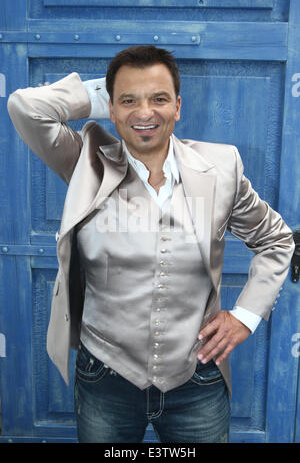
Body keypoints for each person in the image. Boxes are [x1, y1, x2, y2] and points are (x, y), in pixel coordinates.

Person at [7, 46, 294, 443]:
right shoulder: (85, 161)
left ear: (177, 106)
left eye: (159, 99)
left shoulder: (221, 167)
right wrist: (99, 96)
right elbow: (25, 106)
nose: (144, 113)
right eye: (129, 101)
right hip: (105, 377)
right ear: (111, 108)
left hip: (196, 380)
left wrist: (245, 315)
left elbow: (276, 240)